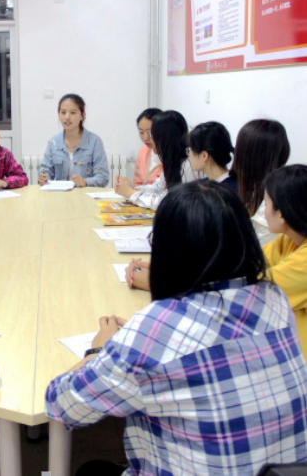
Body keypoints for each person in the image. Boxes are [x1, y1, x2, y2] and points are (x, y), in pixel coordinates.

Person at [47, 181, 307, 475]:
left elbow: (63, 404)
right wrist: (139, 341)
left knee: (90, 470)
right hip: (283, 469)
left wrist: (99, 351)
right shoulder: (274, 299)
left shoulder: (155, 329)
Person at [115, 110, 203, 210]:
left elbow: (165, 202)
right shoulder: (173, 159)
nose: (148, 139)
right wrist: (131, 189)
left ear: (165, 138)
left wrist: (131, 193)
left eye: (152, 135)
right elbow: (158, 187)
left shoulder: (188, 163)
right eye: (142, 132)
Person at [263, 164, 307, 357]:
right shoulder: (289, 240)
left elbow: (259, 285)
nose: (264, 211)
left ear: (281, 213)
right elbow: (251, 261)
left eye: (266, 204)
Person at [231, 119, 290, 246]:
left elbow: (260, 255)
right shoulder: (257, 192)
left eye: (238, 150)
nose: (235, 154)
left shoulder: (271, 210)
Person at [38, 94, 109, 188]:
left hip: (84, 195)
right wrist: (43, 178)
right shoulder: (53, 142)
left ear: (82, 115)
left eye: (73, 112)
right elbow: (45, 171)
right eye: (63, 112)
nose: (67, 117)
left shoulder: (94, 142)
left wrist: (85, 182)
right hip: (60, 194)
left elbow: (103, 177)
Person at [186, 121, 238, 193]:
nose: (189, 154)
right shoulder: (202, 185)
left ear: (204, 155)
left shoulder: (232, 190)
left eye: (190, 150)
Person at [133, 108, 163, 186]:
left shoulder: (170, 154)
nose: (145, 138)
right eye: (141, 132)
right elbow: (137, 182)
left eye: (150, 132)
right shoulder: (143, 150)